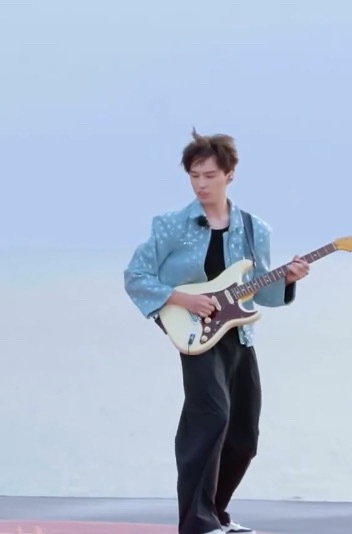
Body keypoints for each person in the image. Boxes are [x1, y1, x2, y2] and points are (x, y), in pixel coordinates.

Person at [123, 130, 309, 534]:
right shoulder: (171, 226)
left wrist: (289, 279)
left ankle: (215, 514)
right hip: (194, 334)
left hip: (238, 335)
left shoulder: (254, 228)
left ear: (230, 175)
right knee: (210, 418)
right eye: (194, 176)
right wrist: (184, 299)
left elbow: (261, 290)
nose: (201, 184)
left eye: (209, 175)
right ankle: (197, 523)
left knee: (244, 433)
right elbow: (136, 276)